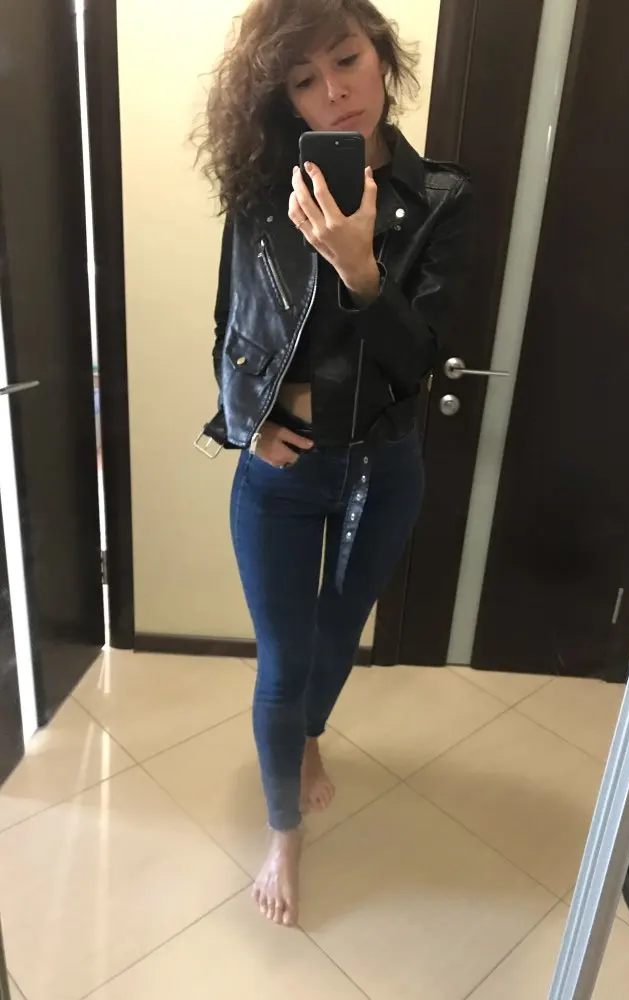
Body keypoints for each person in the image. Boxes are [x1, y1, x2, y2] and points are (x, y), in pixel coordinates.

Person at [193, 0, 472, 928]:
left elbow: (420, 357)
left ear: (381, 55)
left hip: (381, 469)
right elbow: (233, 321)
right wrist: (245, 426)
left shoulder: (442, 200)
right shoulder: (263, 193)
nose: (334, 91)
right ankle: (283, 832)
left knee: (339, 631)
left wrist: (360, 268)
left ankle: (310, 736)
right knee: (283, 662)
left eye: (346, 60)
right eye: (305, 80)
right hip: (281, 473)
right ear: (285, 99)